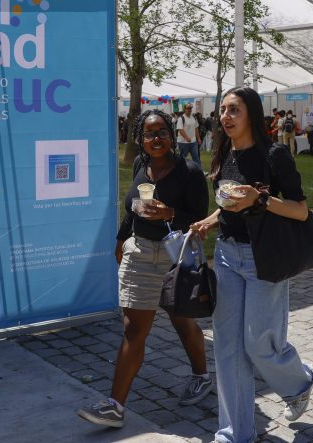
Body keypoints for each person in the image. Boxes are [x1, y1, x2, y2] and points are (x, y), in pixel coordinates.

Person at [191, 87, 313, 443]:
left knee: (259, 344)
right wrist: (210, 220)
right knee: (227, 347)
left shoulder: (274, 155)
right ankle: (235, 434)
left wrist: (260, 198)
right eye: (223, 111)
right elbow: (229, 202)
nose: (226, 117)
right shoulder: (225, 153)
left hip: (264, 256)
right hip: (228, 256)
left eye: (234, 110)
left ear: (252, 114)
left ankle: (299, 381)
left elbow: (300, 210)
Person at [76, 110, 212, 429]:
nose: (156, 139)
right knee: (134, 329)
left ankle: (201, 375)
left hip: (174, 255)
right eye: (149, 134)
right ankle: (114, 406)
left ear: (172, 134)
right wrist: (121, 239)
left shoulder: (190, 172)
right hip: (139, 254)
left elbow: (199, 220)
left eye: (162, 132)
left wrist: (171, 212)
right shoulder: (141, 165)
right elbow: (131, 209)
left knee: (183, 322)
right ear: (140, 139)